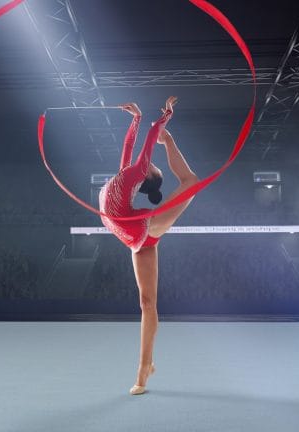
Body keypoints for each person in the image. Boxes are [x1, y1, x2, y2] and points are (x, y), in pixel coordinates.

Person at [98, 96, 199, 395]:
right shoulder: (127, 173)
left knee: (191, 182)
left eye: (153, 166)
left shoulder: (140, 171)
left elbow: (151, 132)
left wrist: (165, 119)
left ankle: (142, 371)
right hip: (131, 234)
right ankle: (147, 365)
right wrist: (135, 119)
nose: (149, 162)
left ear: (150, 175)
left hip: (138, 227)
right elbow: (129, 146)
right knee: (147, 303)